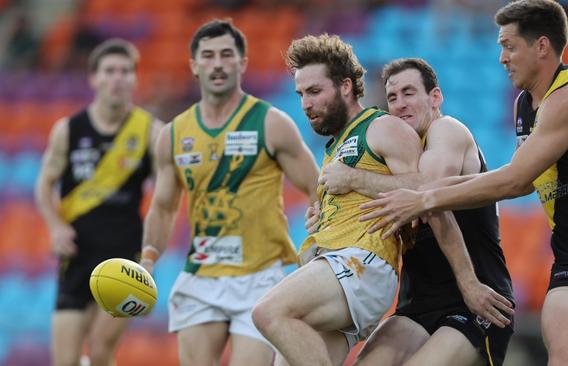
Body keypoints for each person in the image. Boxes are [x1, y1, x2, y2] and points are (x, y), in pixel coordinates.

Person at [361, 1, 568, 365]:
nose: (502, 58)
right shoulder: (525, 104)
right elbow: (529, 180)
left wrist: (427, 198)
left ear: (541, 46)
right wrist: (448, 188)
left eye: (509, 46)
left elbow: (515, 181)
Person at [138, 19, 319, 366]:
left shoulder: (271, 123)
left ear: (242, 63)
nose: (217, 64)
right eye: (207, 56)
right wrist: (147, 260)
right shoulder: (174, 135)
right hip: (202, 275)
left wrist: (317, 243)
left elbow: (317, 188)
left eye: (226, 54)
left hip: (260, 277)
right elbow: (162, 208)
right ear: (194, 65)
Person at [313, 58, 515, 366]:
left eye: (409, 93)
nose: (400, 104)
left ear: (435, 97)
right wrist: (325, 218)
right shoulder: (396, 158)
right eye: (393, 97)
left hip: (473, 297)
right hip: (418, 301)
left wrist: (353, 178)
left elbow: (427, 194)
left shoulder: (446, 130)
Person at [250, 34, 423, 366]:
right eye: (300, 94)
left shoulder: (381, 126)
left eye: (314, 92)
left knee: (268, 312)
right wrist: (318, 230)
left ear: (346, 86)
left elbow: (425, 187)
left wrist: (355, 178)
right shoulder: (334, 149)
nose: (305, 104)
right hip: (338, 270)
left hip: (365, 264)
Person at [35, 39, 164, 366]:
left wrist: (152, 248)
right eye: (109, 71)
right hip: (76, 256)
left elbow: (168, 193)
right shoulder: (69, 130)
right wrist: (55, 226)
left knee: (102, 351)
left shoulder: (150, 131)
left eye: (125, 71)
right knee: (64, 360)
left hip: (125, 259)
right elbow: (44, 184)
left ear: (135, 79)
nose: (117, 78)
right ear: (94, 78)